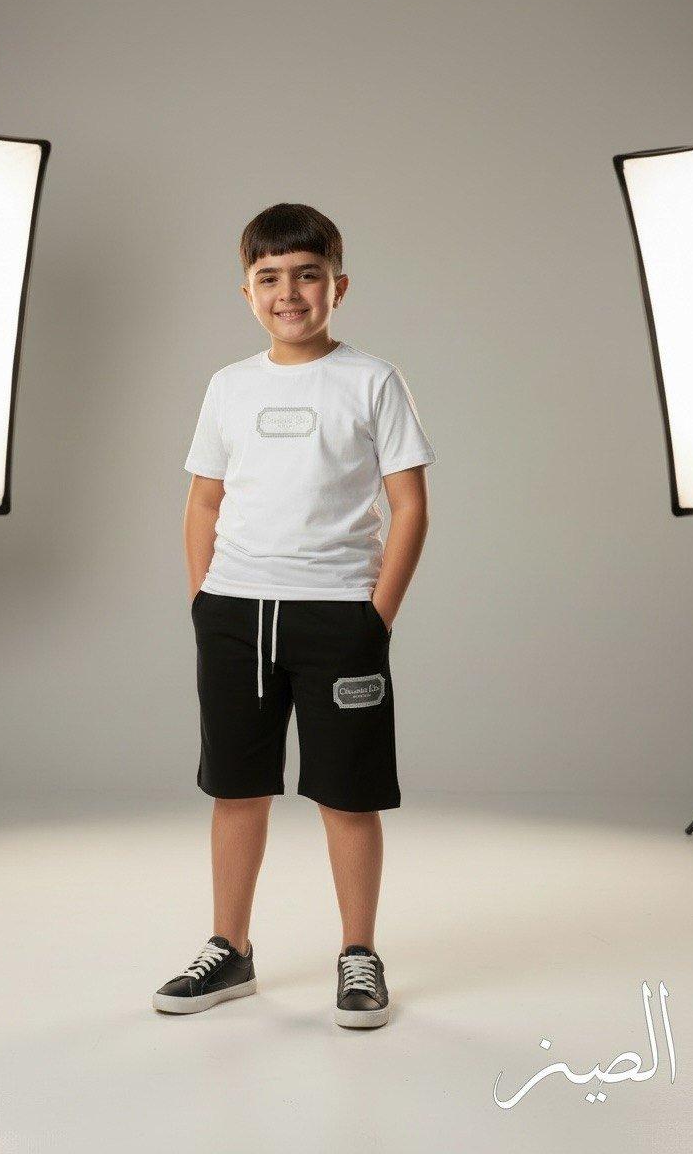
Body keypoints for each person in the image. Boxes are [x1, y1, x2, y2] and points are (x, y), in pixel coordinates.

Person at [153, 202, 436, 1028]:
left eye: (308, 275)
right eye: (270, 277)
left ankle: (359, 954)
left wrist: (375, 618)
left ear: (337, 287)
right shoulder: (229, 386)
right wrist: (204, 600)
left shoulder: (372, 380)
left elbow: (410, 506)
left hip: (339, 618)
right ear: (247, 292)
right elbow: (202, 501)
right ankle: (230, 950)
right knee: (236, 787)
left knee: (348, 794)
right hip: (235, 614)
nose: (289, 292)